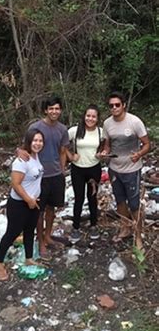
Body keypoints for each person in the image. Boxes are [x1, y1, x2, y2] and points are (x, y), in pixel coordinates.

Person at [18, 97, 69, 261]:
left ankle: (48, 236)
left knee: (51, 210)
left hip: (55, 175)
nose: (54, 111)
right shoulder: (36, 128)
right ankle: (40, 242)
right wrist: (18, 152)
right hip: (38, 177)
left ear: (60, 110)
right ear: (45, 110)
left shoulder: (62, 129)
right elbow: (23, 149)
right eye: (51, 109)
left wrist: (62, 170)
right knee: (38, 212)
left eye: (57, 108)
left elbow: (63, 151)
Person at [100, 92, 150, 249]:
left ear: (123, 106)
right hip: (114, 169)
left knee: (134, 204)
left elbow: (147, 144)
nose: (114, 108)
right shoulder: (107, 124)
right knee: (120, 200)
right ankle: (125, 228)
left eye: (117, 105)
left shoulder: (134, 122)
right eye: (111, 105)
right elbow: (108, 144)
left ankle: (138, 235)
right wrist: (105, 152)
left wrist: (139, 154)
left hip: (132, 170)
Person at [0, 129, 45, 281]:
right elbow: (15, 184)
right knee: (12, 233)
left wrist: (34, 199)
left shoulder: (35, 156)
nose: (38, 143)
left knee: (30, 230)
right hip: (19, 204)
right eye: (35, 140)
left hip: (34, 201)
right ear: (28, 141)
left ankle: (28, 258)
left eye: (40, 140)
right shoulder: (21, 161)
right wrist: (28, 200)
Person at [67, 104, 104, 242]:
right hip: (77, 169)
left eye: (93, 116)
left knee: (92, 198)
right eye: (88, 115)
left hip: (94, 168)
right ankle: (76, 227)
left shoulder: (101, 132)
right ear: (84, 116)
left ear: (97, 118)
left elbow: (106, 145)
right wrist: (70, 155)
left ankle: (94, 225)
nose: (90, 118)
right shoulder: (75, 130)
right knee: (79, 198)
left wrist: (102, 153)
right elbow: (62, 143)